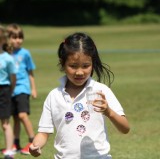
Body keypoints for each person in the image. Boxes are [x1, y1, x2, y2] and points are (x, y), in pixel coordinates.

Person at [29, 32, 130, 159]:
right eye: (73, 66)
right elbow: (43, 132)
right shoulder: (54, 96)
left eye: (86, 66)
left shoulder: (101, 91)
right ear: (62, 63)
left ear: (92, 63)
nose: (80, 72)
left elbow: (125, 128)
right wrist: (36, 145)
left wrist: (109, 112)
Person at [6, 23, 37, 155]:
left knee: (23, 115)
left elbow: (30, 72)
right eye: (14, 37)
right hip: (10, 90)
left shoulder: (25, 53)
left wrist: (33, 88)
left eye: (20, 37)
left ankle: (33, 142)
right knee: (15, 118)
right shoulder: (5, 54)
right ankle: (16, 143)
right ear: (8, 38)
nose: (17, 40)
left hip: (23, 88)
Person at [0, 25, 16, 159]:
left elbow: (13, 78)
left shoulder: (8, 58)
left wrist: (10, 91)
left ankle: (9, 151)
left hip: (3, 90)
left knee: (5, 122)